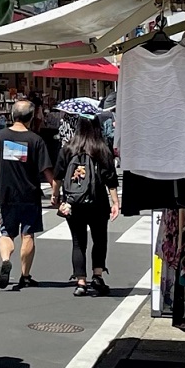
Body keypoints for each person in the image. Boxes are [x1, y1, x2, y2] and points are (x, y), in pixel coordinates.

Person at [0, 99, 54, 289]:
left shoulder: (0, 137)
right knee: (28, 235)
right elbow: (46, 169)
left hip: (6, 193)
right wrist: (56, 190)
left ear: (12, 115)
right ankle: (25, 275)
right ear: (31, 117)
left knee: (6, 233)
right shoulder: (35, 140)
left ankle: (6, 260)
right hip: (30, 194)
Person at [52, 114, 121, 295]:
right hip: (98, 201)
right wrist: (115, 201)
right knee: (100, 239)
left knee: (78, 242)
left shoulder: (68, 148)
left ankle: (81, 283)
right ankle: (97, 276)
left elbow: (58, 176)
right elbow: (110, 178)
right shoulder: (101, 148)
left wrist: (55, 196)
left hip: (73, 202)